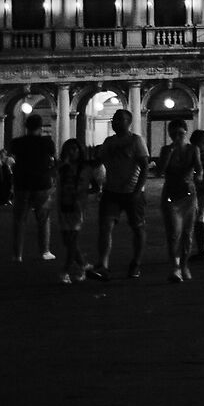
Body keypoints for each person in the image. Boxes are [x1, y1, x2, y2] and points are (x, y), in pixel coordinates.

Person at [88, 108, 151, 280]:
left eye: (120, 119)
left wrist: (138, 191)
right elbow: (97, 162)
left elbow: (144, 166)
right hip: (111, 191)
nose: (116, 122)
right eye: (115, 119)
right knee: (105, 227)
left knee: (137, 227)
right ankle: (103, 264)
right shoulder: (109, 141)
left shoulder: (136, 140)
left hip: (132, 192)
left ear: (129, 122)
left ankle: (136, 263)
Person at [158, 125, 204, 283]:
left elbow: (199, 167)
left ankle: (184, 265)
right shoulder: (166, 150)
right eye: (173, 133)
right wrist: (169, 154)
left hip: (188, 195)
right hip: (171, 194)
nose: (177, 136)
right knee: (173, 233)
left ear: (185, 133)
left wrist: (199, 176)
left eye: (180, 133)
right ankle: (175, 267)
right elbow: (160, 170)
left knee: (187, 233)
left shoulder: (193, 149)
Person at [53, 135, 93, 281]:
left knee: (71, 241)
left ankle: (65, 271)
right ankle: (83, 265)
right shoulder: (63, 168)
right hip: (63, 206)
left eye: (75, 149)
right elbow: (59, 187)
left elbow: (94, 185)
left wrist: (83, 193)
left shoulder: (85, 168)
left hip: (77, 208)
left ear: (80, 151)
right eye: (69, 149)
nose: (72, 152)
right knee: (67, 241)